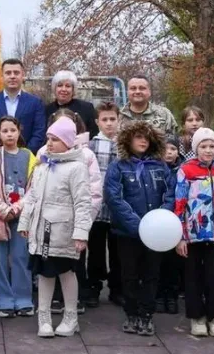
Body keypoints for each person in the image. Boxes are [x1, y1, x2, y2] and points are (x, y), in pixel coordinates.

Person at [17, 117, 93, 338]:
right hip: (42, 233)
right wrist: (25, 222)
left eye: (56, 139)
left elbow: (82, 202)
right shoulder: (42, 165)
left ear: (68, 142)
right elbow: (31, 197)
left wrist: (80, 233)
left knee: (66, 273)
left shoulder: (77, 168)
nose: (49, 143)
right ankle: (44, 317)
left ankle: (71, 317)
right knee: (43, 273)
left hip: (63, 233)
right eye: (48, 138)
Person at [105, 121, 175, 336]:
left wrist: (158, 223)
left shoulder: (161, 167)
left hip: (156, 235)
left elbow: (170, 195)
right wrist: (138, 226)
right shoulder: (118, 166)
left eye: (146, 137)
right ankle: (132, 313)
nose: (143, 141)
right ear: (128, 139)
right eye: (138, 137)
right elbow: (114, 198)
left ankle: (147, 314)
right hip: (128, 233)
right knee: (130, 274)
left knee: (151, 274)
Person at [174, 128, 214, 338]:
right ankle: (196, 316)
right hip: (192, 235)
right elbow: (180, 203)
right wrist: (180, 236)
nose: (208, 150)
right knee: (192, 277)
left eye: (212, 146)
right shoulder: (186, 170)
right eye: (203, 146)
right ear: (195, 148)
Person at [0, 116, 38, 318]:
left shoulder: (29, 155)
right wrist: (2, 209)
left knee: (21, 257)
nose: (9, 134)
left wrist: (17, 208)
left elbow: (34, 187)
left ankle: (23, 299)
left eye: (12, 130)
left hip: (21, 215)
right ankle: (4, 301)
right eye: (4, 130)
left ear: (19, 131)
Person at [88, 102, 122, 307]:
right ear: (97, 122)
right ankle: (93, 286)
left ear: (119, 120)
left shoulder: (125, 144)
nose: (109, 124)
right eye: (105, 119)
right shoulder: (91, 145)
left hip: (118, 207)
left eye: (112, 119)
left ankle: (117, 288)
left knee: (118, 250)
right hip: (97, 207)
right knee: (96, 250)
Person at [0, 58, 46, 152]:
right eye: (8, 73)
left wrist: (25, 154)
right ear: (1, 76)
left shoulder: (36, 103)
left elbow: (39, 132)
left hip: (26, 158)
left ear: (22, 75)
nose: (12, 76)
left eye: (16, 73)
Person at [156, 135, 183, 315]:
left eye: (173, 149)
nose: (169, 153)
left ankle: (172, 296)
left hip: (176, 221)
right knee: (157, 261)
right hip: (157, 221)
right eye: (166, 149)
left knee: (174, 263)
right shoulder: (154, 169)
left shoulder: (182, 170)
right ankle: (158, 296)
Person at [44, 70, 98, 138]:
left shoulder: (87, 108)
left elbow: (93, 134)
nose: (63, 89)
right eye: (60, 85)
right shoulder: (47, 109)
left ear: (73, 89)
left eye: (68, 86)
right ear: (54, 88)